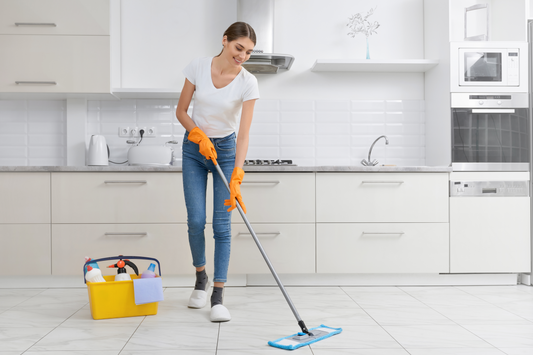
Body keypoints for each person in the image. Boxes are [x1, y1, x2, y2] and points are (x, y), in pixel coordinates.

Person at [175, 21, 259, 322]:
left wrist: (237, 174)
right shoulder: (198, 67)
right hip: (194, 150)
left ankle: (218, 295)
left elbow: (245, 134)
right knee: (196, 220)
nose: (243, 56)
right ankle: (201, 277)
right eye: (239, 48)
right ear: (225, 40)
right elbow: (181, 110)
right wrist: (197, 134)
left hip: (225, 151)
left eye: (249, 52)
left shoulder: (248, 82)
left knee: (221, 226)